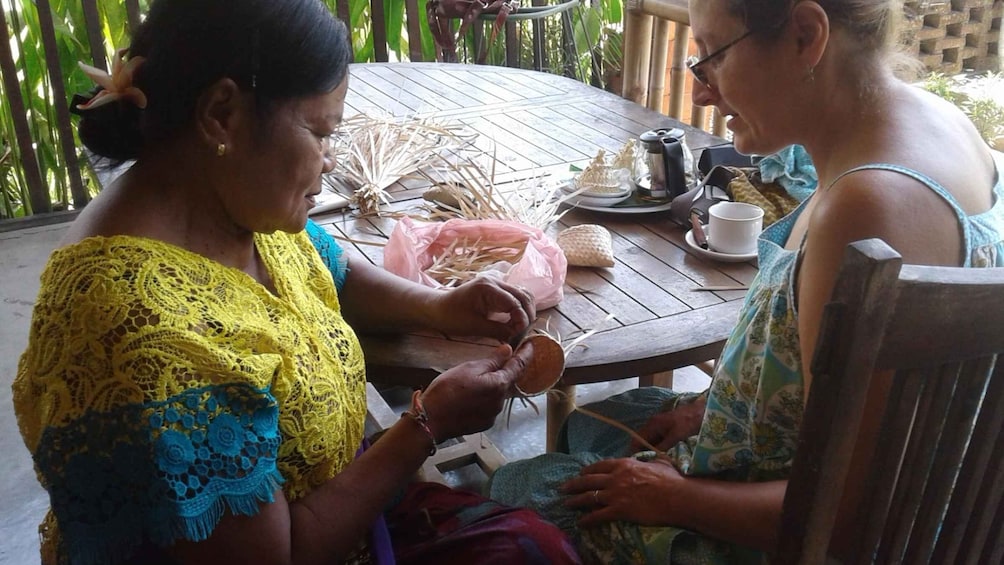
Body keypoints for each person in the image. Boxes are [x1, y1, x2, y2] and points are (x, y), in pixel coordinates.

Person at [11, 1, 581, 564]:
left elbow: (329, 270)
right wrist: (426, 425)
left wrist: (440, 306)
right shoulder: (140, 332)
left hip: (337, 499)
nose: (330, 161)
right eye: (319, 132)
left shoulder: (227, 199)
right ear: (221, 114)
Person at [488, 0, 1004, 563]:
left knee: (519, 492)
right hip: (805, 465)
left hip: (788, 538)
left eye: (710, 58)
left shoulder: (869, 210)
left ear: (806, 35)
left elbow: (846, 514)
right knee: (596, 424)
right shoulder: (938, 124)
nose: (701, 94)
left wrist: (678, 498)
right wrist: (705, 406)